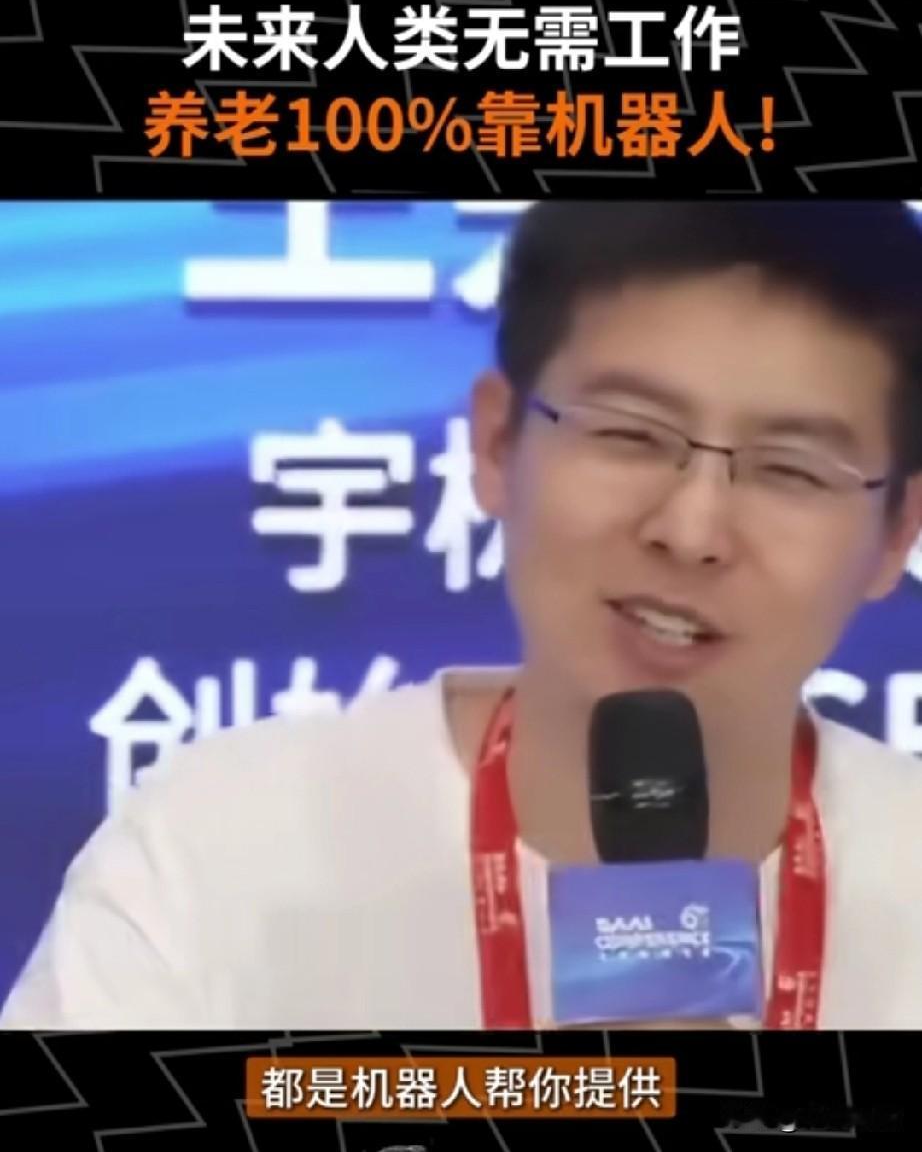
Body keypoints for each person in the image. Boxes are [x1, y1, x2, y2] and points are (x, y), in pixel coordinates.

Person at [3, 200, 922, 1031]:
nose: (691, 531)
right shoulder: (215, 849)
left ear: (896, 535)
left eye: (792, 470)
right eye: (630, 434)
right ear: (494, 444)